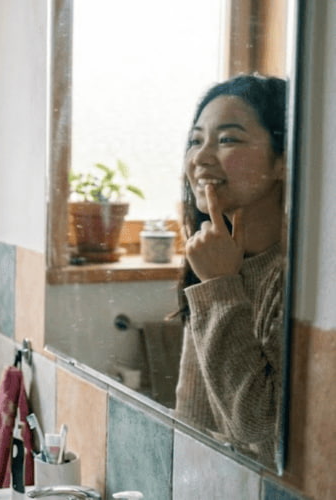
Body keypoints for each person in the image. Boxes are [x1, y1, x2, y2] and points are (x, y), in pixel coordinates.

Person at [174, 74, 287, 464]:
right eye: (196, 141)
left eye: (227, 140)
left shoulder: (294, 282)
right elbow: (192, 414)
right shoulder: (210, 256)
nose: (200, 158)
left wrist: (220, 285)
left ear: (283, 161)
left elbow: (262, 434)